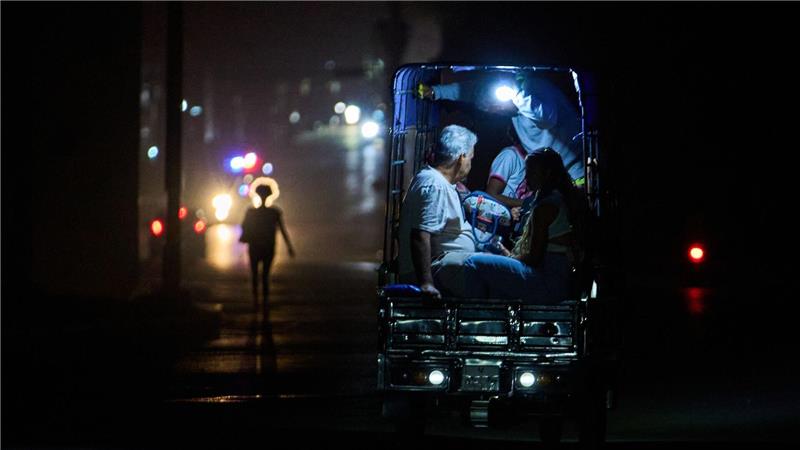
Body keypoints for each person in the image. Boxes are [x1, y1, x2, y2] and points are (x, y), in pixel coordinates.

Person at [419, 74, 583, 209]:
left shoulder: (534, 89)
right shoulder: (506, 103)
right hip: (547, 177)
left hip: (574, 168)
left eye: (494, 107)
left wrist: (517, 96)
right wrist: (435, 92)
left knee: (575, 213)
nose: (493, 111)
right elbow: (469, 91)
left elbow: (547, 118)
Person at [462, 148, 586, 304]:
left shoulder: (546, 207)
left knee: (472, 262)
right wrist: (506, 254)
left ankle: (475, 320)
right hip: (555, 280)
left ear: (546, 174)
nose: (527, 178)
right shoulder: (558, 199)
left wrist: (510, 257)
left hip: (547, 283)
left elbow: (535, 258)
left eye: (531, 172)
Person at [397, 124, 478, 299]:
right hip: (440, 271)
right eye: (471, 158)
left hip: (448, 267)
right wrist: (426, 284)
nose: (470, 164)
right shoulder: (435, 185)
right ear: (461, 158)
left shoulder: (440, 182)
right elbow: (420, 235)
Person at [239, 184, 295, 307]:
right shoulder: (275, 213)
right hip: (268, 246)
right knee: (265, 275)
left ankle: (255, 301)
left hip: (254, 246)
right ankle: (264, 301)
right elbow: (282, 230)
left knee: (254, 274)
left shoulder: (251, 212)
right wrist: (289, 247)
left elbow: (244, 227)